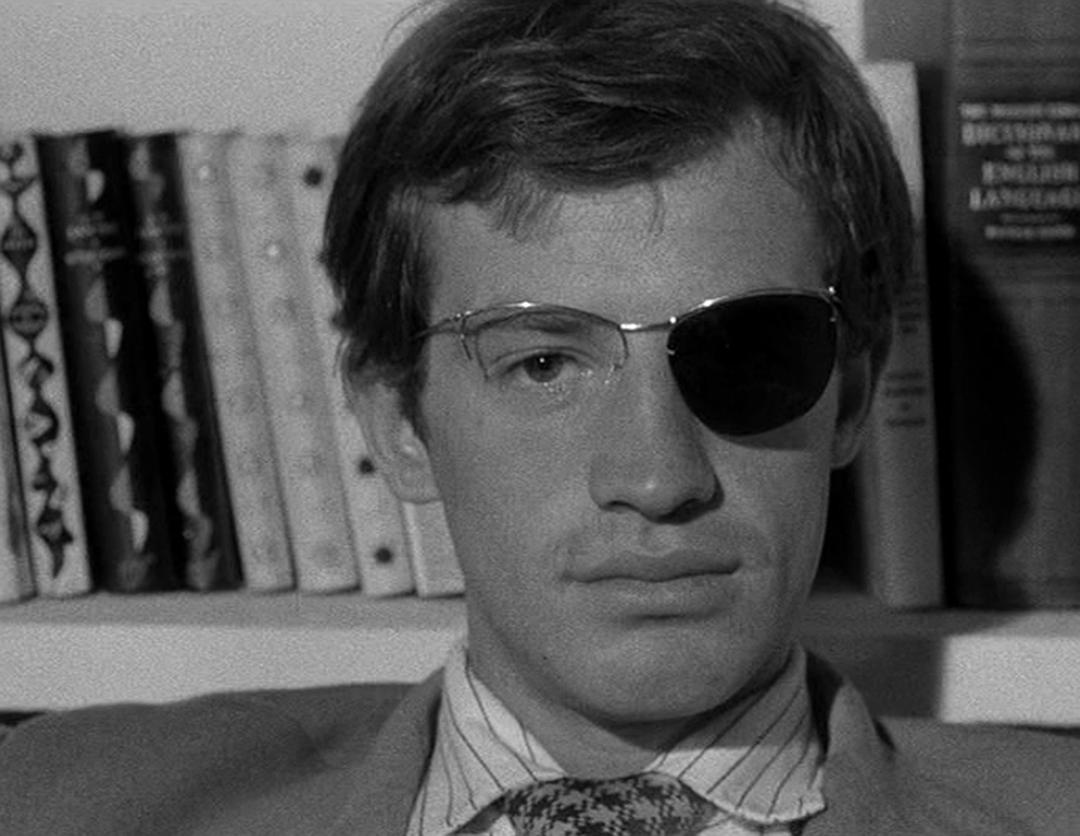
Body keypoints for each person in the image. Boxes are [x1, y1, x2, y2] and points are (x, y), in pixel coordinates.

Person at [0, 1, 1077, 834]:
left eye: (748, 353)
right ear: (397, 419)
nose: (658, 477)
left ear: (852, 393)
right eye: (544, 361)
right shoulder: (60, 801)